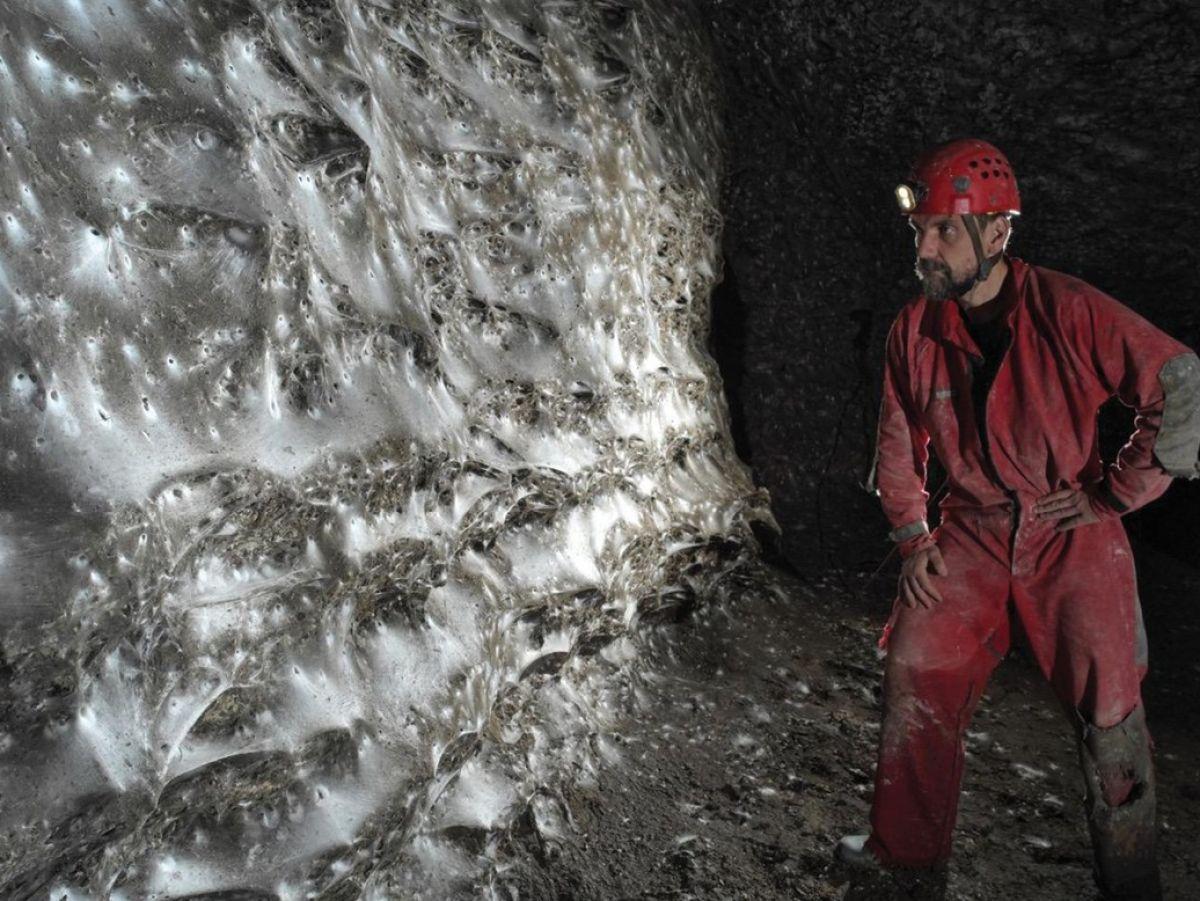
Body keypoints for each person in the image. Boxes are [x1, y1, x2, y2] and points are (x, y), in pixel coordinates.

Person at [834, 138, 1200, 900]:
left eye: (943, 231)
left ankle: (1131, 881)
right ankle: (905, 864)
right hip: (968, 527)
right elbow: (899, 436)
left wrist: (1115, 494)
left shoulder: (1068, 308)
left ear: (998, 233)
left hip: (1069, 527)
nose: (924, 248)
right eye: (920, 230)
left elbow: (1178, 379)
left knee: (1111, 707)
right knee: (918, 656)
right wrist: (911, 536)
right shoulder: (917, 326)